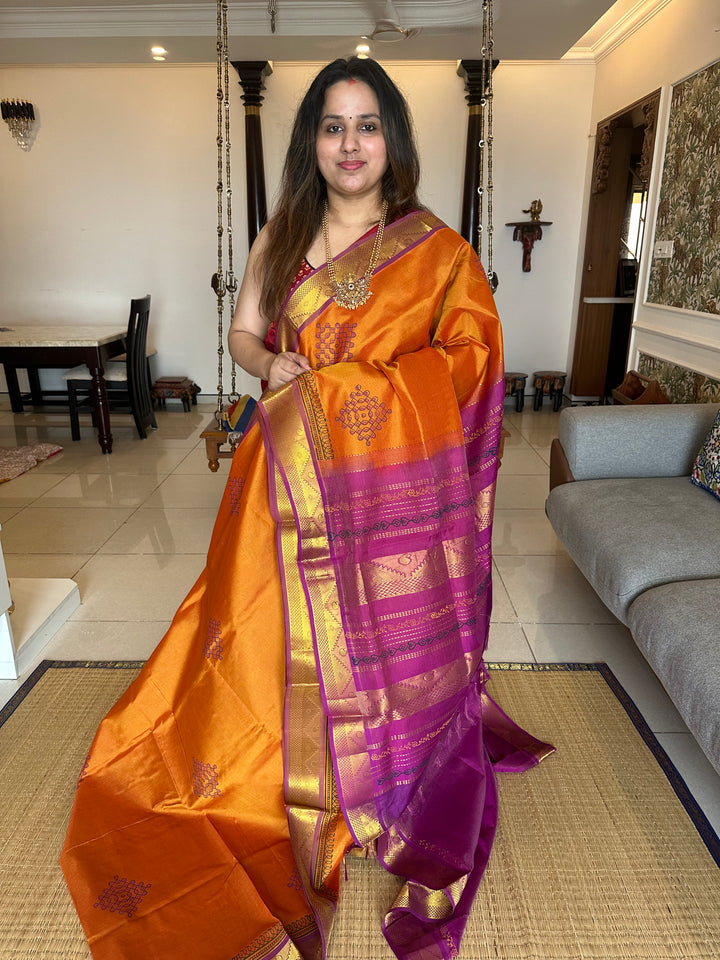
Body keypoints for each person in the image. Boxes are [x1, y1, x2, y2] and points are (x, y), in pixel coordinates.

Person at [61, 57, 553, 960]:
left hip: (391, 497)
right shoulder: (281, 233)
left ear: (392, 140)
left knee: (375, 634)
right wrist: (270, 368)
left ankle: (389, 786)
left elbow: (475, 361)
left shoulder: (436, 250)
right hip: (284, 480)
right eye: (333, 126)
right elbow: (246, 333)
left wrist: (362, 394)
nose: (350, 143)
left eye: (367, 125)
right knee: (268, 636)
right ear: (312, 142)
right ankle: (303, 790)